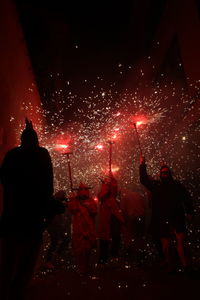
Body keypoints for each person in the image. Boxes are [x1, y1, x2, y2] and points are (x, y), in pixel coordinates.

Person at [0, 118, 54, 299]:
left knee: (9, 260)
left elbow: (4, 179)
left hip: (12, 216)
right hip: (32, 218)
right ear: (36, 140)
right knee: (27, 261)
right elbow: (48, 186)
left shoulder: (12, 155)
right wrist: (48, 210)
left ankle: (7, 291)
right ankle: (18, 292)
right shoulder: (42, 154)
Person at [139, 155, 194, 272]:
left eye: (166, 172)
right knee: (165, 245)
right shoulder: (157, 186)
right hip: (162, 219)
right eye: (162, 172)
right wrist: (142, 164)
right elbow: (143, 180)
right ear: (160, 174)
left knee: (180, 242)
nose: (164, 174)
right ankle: (170, 265)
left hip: (177, 216)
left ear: (169, 173)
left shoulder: (177, 185)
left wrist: (189, 212)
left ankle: (186, 265)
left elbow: (187, 198)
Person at [67, 183, 97, 275]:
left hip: (88, 228)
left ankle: (86, 265)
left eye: (84, 190)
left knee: (87, 248)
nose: (83, 192)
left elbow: (95, 211)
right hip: (79, 228)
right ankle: (81, 267)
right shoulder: (75, 201)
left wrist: (87, 206)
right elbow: (72, 209)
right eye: (81, 190)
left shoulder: (91, 201)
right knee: (79, 249)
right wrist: (71, 199)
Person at [97, 175, 124, 264]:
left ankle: (110, 257)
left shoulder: (111, 198)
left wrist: (113, 179)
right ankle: (104, 260)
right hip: (106, 222)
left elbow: (114, 188)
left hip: (112, 221)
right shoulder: (104, 199)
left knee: (115, 238)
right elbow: (103, 195)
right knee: (105, 240)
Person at [45, 190, 70, 269]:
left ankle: (57, 254)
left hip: (58, 225)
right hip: (52, 225)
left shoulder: (59, 203)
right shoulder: (54, 203)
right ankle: (48, 261)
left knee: (66, 239)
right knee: (54, 242)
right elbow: (60, 209)